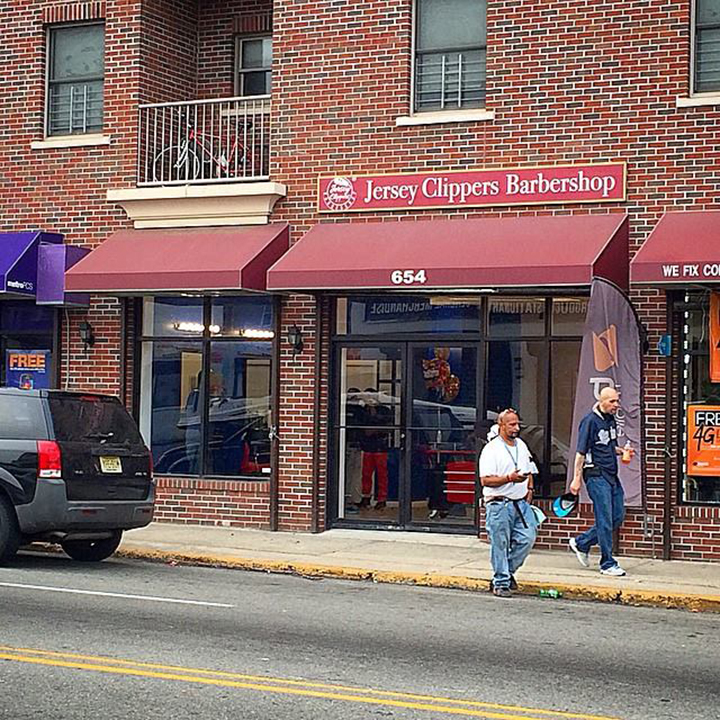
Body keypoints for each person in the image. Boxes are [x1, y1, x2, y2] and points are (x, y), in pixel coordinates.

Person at [568, 386, 634, 577]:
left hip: (611, 474)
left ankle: (582, 543)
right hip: (595, 475)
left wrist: (622, 451)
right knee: (604, 519)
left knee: (617, 516)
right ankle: (607, 563)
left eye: (617, 401)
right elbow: (580, 453)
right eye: (612, 401)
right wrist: (576, 479)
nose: (616, 405)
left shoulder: (610, 420)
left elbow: (608, 446)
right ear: (601, 400)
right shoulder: (589, 421)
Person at [479, 408, 538, 598]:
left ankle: (505, 573)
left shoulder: (521, 445)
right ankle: (502, 582)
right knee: (500, 543)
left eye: (518, 424)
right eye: (512, 424)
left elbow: (529, 469)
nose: (516, 428)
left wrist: (529, 489)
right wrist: (509, 478)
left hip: (520, 503)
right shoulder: (491, 449)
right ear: (501, 426)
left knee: (527, 538)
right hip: (498, 504)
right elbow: (485, 480)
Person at [358, 388, 391, 510]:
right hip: (367, 446)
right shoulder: (362, 411)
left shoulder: (384, 410)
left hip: (380, 446)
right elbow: (360, 425)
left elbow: (388, 426)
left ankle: (382, 499)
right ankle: (366, 496)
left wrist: (375, 427)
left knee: (382, 474)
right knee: (365, 474)